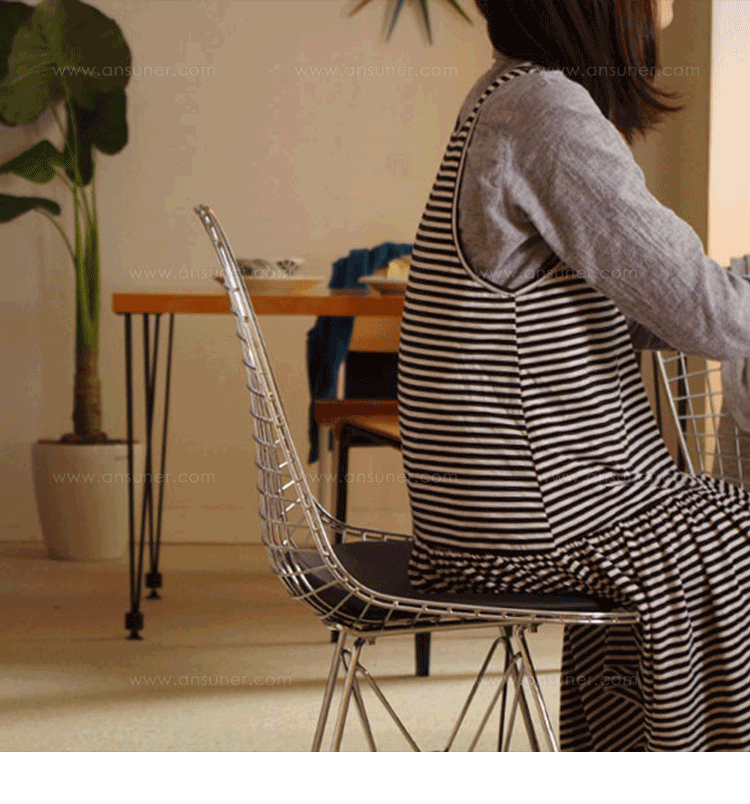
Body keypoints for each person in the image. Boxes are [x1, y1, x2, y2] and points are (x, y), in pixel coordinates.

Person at [397, 0, 750, 751]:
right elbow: (706, 315)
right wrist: (726, 296)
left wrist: (722, 296)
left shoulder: (508, 93)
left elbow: (654, 308)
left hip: (492, 509)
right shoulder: (548, 111)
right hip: (543, 514)